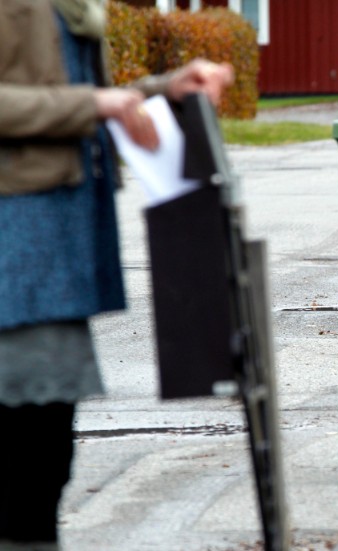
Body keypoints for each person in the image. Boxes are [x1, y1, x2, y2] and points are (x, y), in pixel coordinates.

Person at [0, 1, 234, 549]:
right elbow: (81, 99)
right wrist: (93, 104)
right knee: (25, 446)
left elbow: (75, 87)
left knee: (43, 445)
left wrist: (162, 91)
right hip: (16, 244)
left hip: (54, 243)